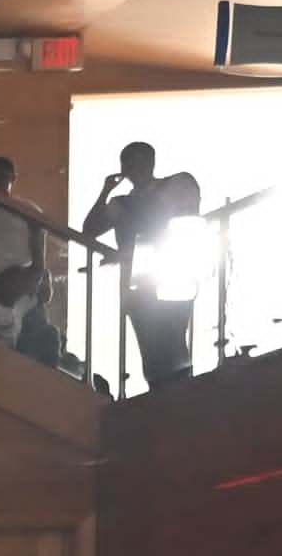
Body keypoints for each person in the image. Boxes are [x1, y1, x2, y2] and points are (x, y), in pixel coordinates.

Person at [81, 139, 204, 386]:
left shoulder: (177, 184)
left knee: (173, 337)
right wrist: (106, 191)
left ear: (151, 162)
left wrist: (127, 248)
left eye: (137, 162)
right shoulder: (120, 203)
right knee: (149, 345)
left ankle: (179, 394)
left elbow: (184, 218)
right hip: (137, 282)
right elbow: (89, 230)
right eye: (127, 164)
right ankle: (160, 394)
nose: (132, 169)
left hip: (172, 272)